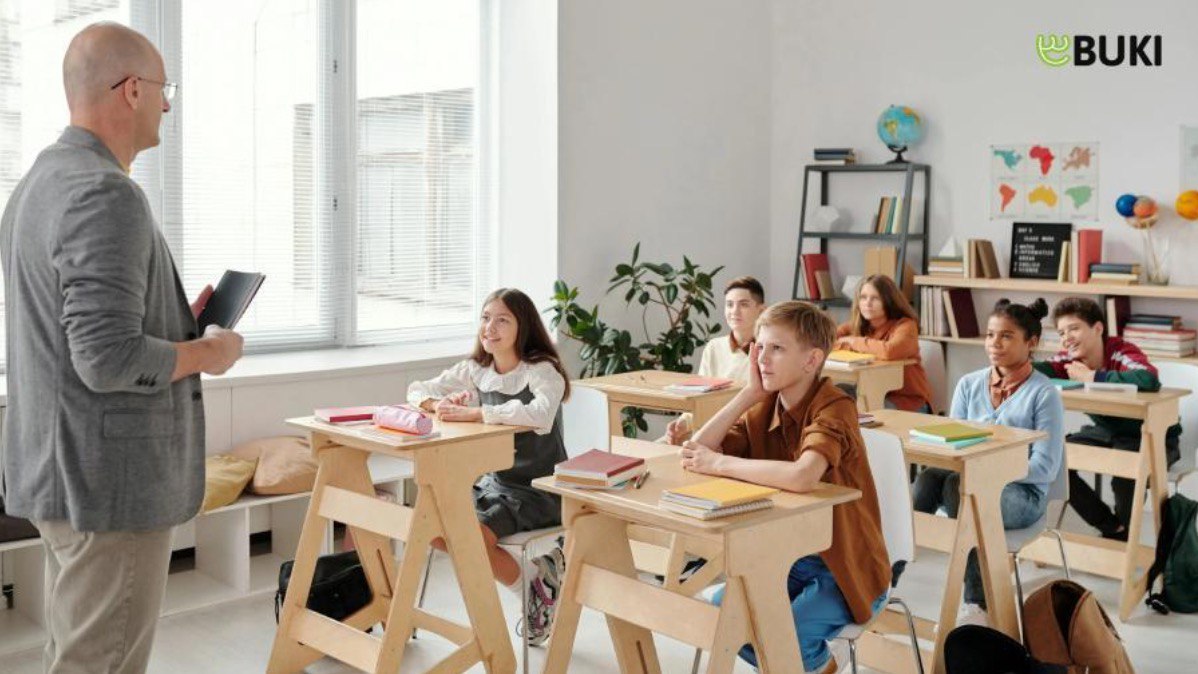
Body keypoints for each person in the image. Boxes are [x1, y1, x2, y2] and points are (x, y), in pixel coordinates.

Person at [0, 23, 243, 674]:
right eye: (164, 91)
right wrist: (210, 352)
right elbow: (106, 358)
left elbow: (73, 333)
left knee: (75, 651)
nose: (167, 105)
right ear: (132, 90)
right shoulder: (105, 193)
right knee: (100, 663)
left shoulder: (38, 183)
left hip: (58, 472)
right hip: (107, 485)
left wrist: (175, 323)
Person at [682, 301, 890, 673]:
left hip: (845, 567)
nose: (762, 358)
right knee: (719, 619)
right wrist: (748, 394)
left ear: (812, 360)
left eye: (776, 348)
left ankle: (813, 663)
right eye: (759, 347)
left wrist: (720, 464)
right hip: (786, 558)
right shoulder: (764, 406)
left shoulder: (835, 406)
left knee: (786, 638)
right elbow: (697, 451)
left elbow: (802, 476)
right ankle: (813, 664)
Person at [407, 288, 570, 645]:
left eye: (502, 320)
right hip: (494, 484)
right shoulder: (477, 370)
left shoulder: (542, 371)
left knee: (472, 538)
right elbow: (417, 389)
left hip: (539, 488)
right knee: (430, 528)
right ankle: (535, 580)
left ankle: (533, 589)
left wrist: (476, 413)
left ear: (523, 326)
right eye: (485, 318)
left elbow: (540, 414)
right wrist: (438, 404)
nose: (489, 327)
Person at [912, 299, 1065, 627]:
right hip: (971, 485)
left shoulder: (1044, 393)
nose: (995, 343)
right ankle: (884, 578)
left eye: (1007, 336)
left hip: (1024, 496)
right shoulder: (969, 384)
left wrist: (989, 474)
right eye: (990, 335)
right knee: (929, 479)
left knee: (961, 490)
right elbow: (951, 446)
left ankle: (976, 604)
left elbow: (1046, 468)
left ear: (1032, 342)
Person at [1033, 296, 1181, 541]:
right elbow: (1035, 371)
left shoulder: (1121, 351)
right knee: (1052, 459)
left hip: (1154, 436)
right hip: (1107, 432)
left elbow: (1148, 379)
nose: (1066, 338)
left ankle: (1124, 543)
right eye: (1061, 333)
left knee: (1126, 476)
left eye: (1074, 329)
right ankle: (1112, 528)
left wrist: (1093, 377)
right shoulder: (1068, 359)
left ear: (1098, 328)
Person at [662, 275, 766, 444]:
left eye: (744, 304)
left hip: (744, 434)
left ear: (761, 310)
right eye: (729, 304)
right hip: (706, 427)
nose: (734, 311)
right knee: (653, 449)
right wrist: (683, 423)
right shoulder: (714, 347)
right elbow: (701, 396)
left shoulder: (767, 351)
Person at [834, 274, 934, 412]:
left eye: (875, 298)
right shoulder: (858, 325)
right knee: (834, 399)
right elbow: (826, 340)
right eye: (863, 297)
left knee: (859, 408)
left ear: (888, 301)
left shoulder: (906, 326)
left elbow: (889, 351)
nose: (867, 303)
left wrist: (853, 341)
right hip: (870, 393)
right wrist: (848, 343)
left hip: (907, 401)